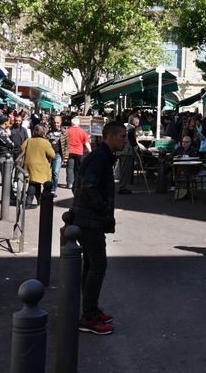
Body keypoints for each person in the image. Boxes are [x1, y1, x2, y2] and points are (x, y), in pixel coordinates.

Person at [70, 121, 125, 335]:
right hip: (90, 221)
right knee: (98, 266)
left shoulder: (100, 157)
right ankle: (89, 317)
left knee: (91, 265)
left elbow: (78, 185)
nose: (124, 140)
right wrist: (102, 209)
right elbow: (88, 187)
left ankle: (90, 310)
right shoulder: (100, 158)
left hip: (86, 218)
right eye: (122, 136)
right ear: (110, 137)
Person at [20, 124, 56, 209]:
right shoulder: (45, 142)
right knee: (35, 183)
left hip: (29, 164)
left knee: (35, 182)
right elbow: (52, 155)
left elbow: (22, 148)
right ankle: (28, 203)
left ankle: (38, 200)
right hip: (41, 166)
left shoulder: (29, 140)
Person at [66, 118, 92, 189]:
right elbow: (86, 143)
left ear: (71, 123)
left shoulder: (67, 131)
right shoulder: (82, 131)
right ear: (78, 123)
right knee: (77, 168)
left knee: (70, 168)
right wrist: (90, 151)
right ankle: (77, 183)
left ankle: (70, 183)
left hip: (70, 152)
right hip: (79, 152)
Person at [47, 115, 65, 196]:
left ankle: (53, 190)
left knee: (55, 173)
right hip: (48, 155)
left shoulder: (64, 132)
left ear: (60, 123)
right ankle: (47, 188)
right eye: (54, 122)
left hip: (58, 155)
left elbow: (67, 145)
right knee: (46, 173)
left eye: (57, 123)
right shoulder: (48, 131)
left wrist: (66, 157)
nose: (56, 124)